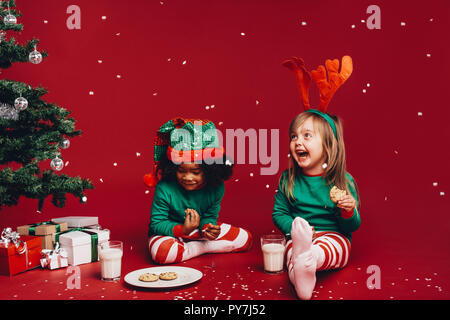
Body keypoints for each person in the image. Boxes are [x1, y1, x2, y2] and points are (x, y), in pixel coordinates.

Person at [273, 56, 361, 299]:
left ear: (328, 146)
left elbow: (352, 226)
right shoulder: (288, 178)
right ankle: (301, 274)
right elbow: (278, 213)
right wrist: (295, 229)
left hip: (333, 236)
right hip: (299, 236)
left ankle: (311, 260)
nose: (297, 141)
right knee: (291, 253)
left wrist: (347, 210)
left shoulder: (343, 181)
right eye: (293, 136)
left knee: (331, 249)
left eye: (307, 136)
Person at [144, 117, 252, 264]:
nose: (188, 177)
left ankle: (194, 248)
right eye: (181, 170)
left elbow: (209, 216)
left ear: (209, 170)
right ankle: (202, 248)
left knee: (245, 239)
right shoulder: (164, 187)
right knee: (163, 253)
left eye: (195, 172)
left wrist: (208, 228)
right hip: (170, 233)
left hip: (197, 232)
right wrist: (183, 230)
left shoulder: (216, 187)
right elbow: (157, 224)